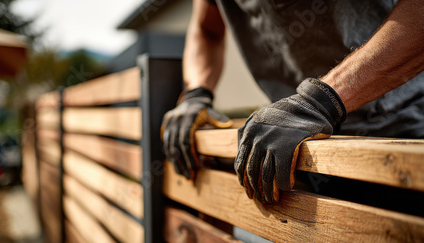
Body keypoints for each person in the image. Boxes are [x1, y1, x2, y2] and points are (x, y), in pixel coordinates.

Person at [161, 0, 424, 203]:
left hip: (402, 138)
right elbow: (207, 28)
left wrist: (321, 101)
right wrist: (196, 94)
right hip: (288, 147)